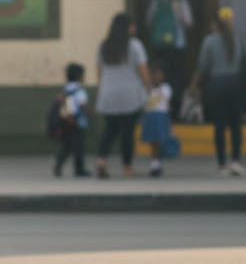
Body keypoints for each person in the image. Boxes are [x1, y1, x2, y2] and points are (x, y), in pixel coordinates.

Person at [188, 6, 246, 176]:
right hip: (235, 84)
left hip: (216, 85)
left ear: (215, 23)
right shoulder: (241, 39)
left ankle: (221, 164)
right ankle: (236, 161)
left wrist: (195, 86)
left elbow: (203, 67)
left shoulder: (209, 41)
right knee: (236, 126)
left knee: (219, 126)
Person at [95, 12, 150, 178]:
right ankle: (127, 167)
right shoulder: (134, 45)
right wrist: (148, 87)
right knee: (128, 131)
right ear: (128, 27)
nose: (135, 27)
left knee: (110, 130)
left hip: (108, 94)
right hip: (129, 94)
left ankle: (101, 161)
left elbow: (99, 72)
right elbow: (142, 69)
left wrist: (102, 89)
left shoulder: (104, 46)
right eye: (132, 25)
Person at [144, 0, 194, 118]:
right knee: (176, 79)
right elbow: (189, 22)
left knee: (160, 78)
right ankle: (176, 112)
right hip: (177, 46)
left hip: (159, 46)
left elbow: (149, 21)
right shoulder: (181, 0)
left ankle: (160, 110)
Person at [47, 61, 91, 177]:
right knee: (79, 147)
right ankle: (79, 168)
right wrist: (89, 112)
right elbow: (83, 104)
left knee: (68, 145)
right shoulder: (79, 90)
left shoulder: (65, 89)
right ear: (80, 77)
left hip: (66, 122)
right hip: (78, 122)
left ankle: (59, 162)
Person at [140, 61, 173, 178]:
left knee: (159, 141)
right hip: (150, 116)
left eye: (158, 75)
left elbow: (166, 100)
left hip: (161, 116)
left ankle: (157, 162)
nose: (156, 78)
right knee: (153, 142)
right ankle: (154, 164)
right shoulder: (145, 89)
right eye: (153, 75)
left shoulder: (166, 88)